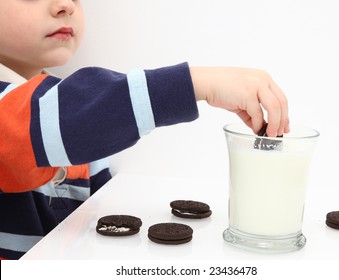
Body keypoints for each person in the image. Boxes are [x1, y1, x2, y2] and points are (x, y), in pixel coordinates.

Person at [0, 0, 289, 259]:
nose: (65, 5)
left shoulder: (75, 121)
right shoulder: (69, 117)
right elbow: (61, 119)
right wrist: (195, 83)